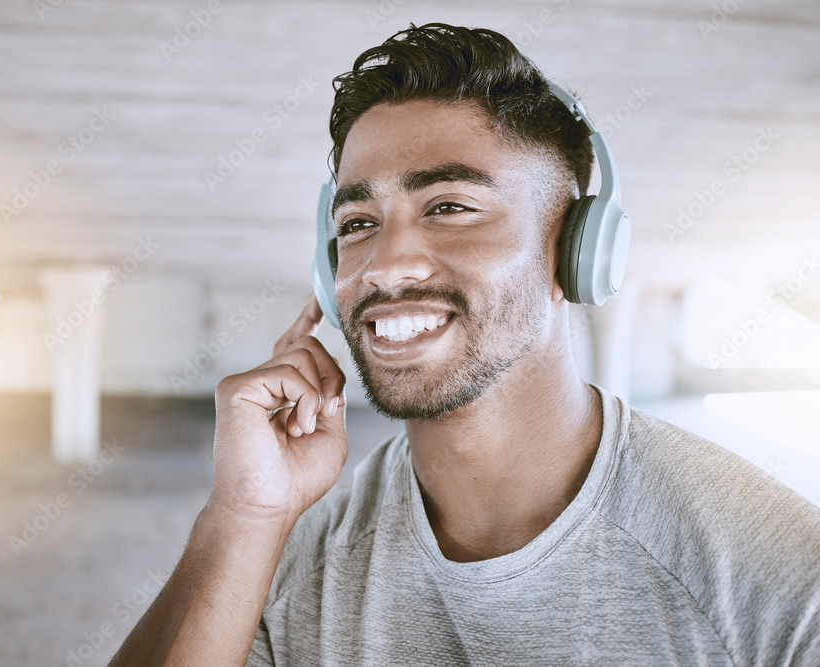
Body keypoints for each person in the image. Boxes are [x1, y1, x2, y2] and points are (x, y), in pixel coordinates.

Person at [110, 23, 820, 666]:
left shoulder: (775, 577)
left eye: (449, 207)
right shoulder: (291, 560)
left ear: (577, 251)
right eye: (357, 222)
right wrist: (242, 516)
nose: (384, 264)